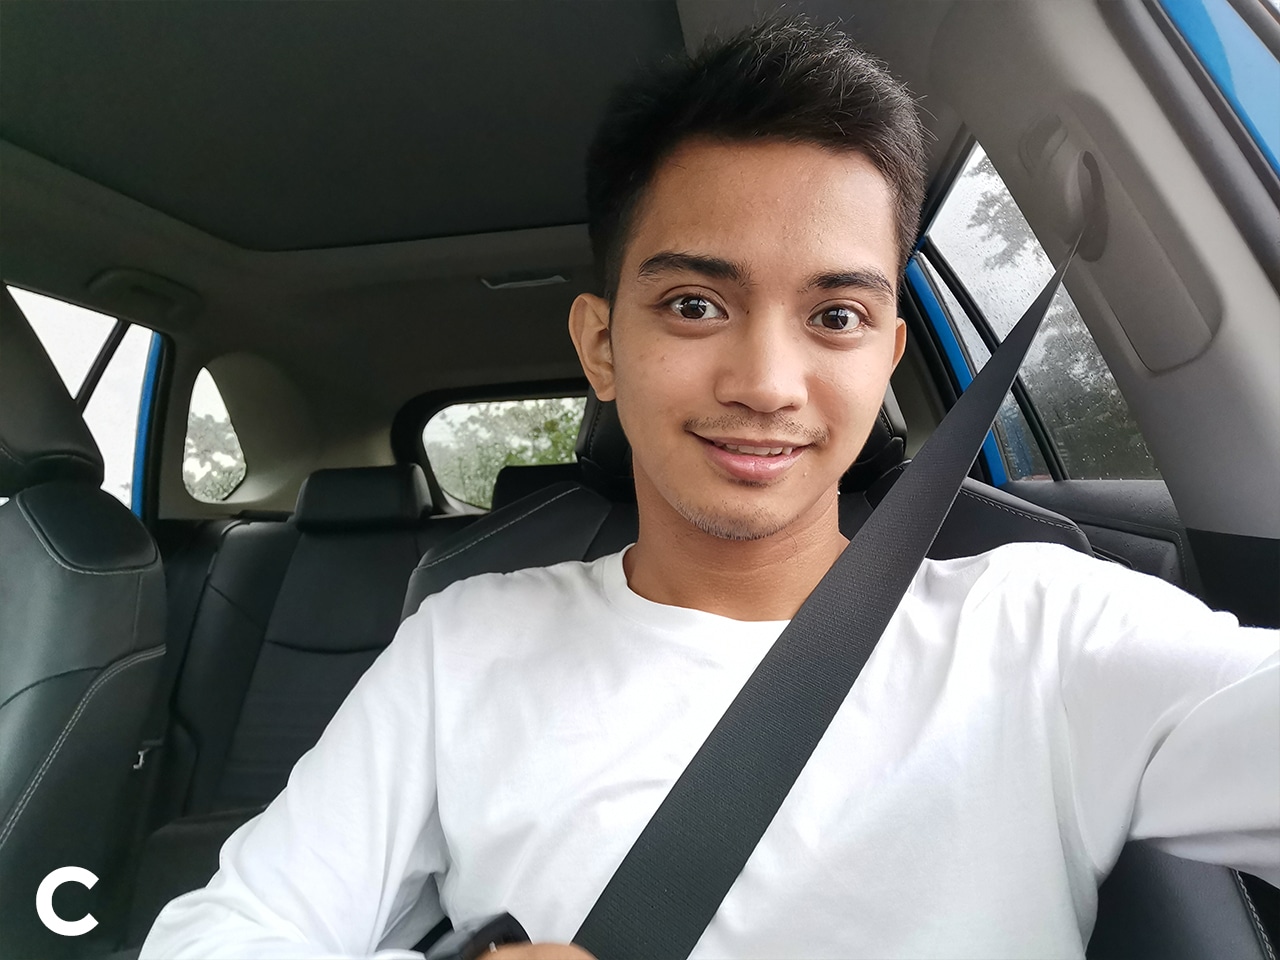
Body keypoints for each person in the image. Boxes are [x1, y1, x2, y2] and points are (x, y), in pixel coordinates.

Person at [141, 17, 1279, 960]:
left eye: (835, 315)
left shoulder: (1047, 628)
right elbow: (228, 932)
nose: (766, 384)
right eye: (695, 305)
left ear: (885, 357)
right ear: (601, 346)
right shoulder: (464, 643)